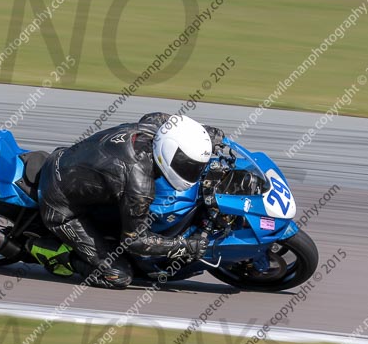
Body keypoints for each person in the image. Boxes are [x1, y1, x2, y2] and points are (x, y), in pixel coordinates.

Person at [27, 112, 224, 289]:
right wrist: (184, 246)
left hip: (66, 159)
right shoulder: (139, 185)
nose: (194, 172)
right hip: (60, 206)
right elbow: (134, 241)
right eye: (189, 165)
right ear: (169, 152)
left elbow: (164, 119)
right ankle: (53, 253)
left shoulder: (153, 127)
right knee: (118, 275)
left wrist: (203, 134)